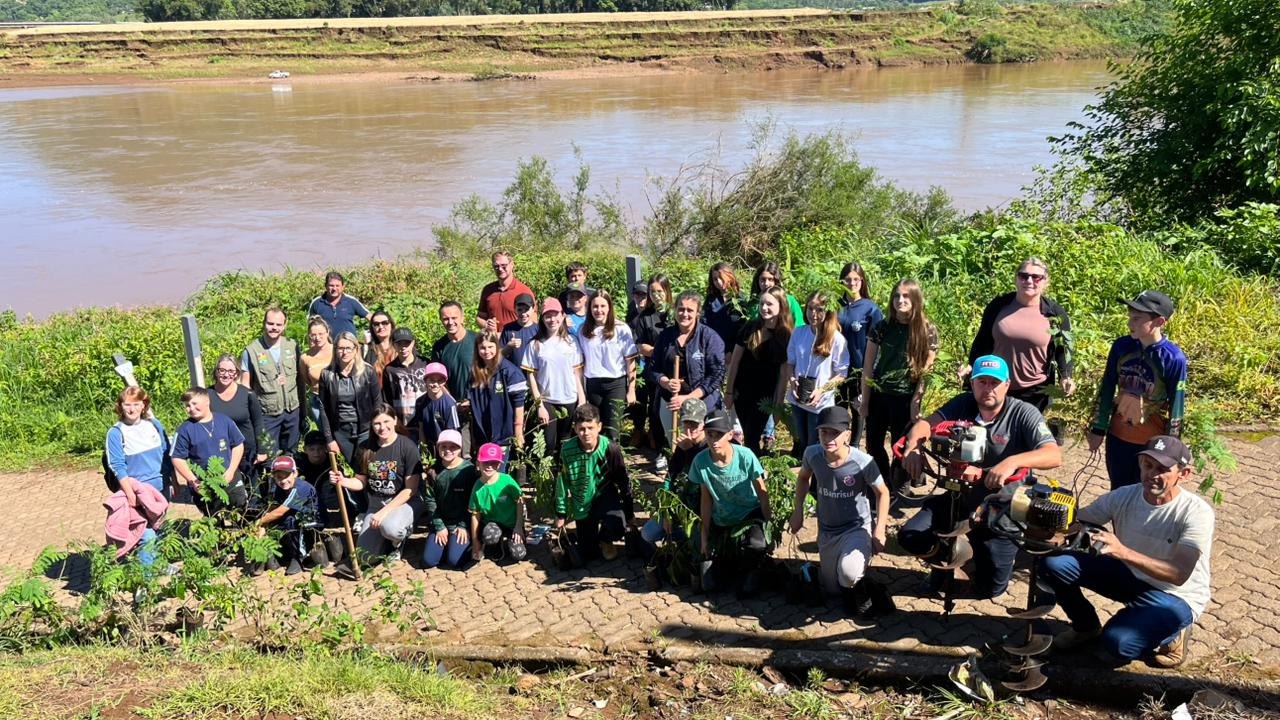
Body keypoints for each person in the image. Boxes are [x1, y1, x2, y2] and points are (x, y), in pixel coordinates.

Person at [898, 355, 1062, 599]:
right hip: (961, 497)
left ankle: (975, 563)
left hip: (1001, 504)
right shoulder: (963, 403)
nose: (988, 389)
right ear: (972, 384)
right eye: (981, 382)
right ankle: (944, 564)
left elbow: (1053, 455)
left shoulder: (1023, 413)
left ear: (1007, 385)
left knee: (991, 588)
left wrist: (1011, 462)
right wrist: (914, 448)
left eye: (994, 383)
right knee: (910, 536)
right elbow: (925, 425)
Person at [1043, 435, 1213, 668]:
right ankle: (1086, 627)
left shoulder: (1196, 513)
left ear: (1183, 474)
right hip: (1130, 575)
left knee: (1118, 643)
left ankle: (1174, 632)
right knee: (1054, 564)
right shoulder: (1124, 496)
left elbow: (1179, 573)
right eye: (1147, 465)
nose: (1152, 474)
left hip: (1175, 595)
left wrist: (1122, 551)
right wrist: (1048, 519)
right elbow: (1077, 520)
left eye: (1163, 469)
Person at [789, 406, 893, 618]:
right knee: (832, 590)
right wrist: (797, 511)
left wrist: (879, 529)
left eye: (835, 433)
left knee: (849, 574)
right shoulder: (812, 454)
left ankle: (862, 586)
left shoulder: (863, 462)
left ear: (847, 435)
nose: (828, 438)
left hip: (856, 528)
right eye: (824, 432)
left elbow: (883, 492)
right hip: (827, 530)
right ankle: (849, 585)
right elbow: (802, 478)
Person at [1088, 290, 1188, 490]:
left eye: (1137, 318)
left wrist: (1171, 447)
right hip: (1118, 437)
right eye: (1129, 317)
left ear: (1159, 322)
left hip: (1150, 444)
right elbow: (1107, 387)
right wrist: (1098, 428)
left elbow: (1177, 406)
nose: (1129, 323)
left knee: (1146, 494)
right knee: (1118, 491)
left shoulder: (1173, 358)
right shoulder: (1121, 347)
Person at [963, 257, 1076, 416]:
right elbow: (982, 341)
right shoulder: (999, 306)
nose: (1029, 281)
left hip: (1036, 391)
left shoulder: (1055, 313)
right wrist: (971, 366)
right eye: (1024, 276)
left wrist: (1067, 376)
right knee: (990, 435)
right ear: (1016, 279)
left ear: (1045, 282)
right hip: (996, 385)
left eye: (1036, 277)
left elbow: (1063, 349)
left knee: (1028, 438)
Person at [860, 279, 938, 487]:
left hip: (906, 396)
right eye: (896, 296)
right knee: (873, 444)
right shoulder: (882, 326)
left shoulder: (926, 330)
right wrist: (865, 401)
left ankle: (901, 486)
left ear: (915, 299)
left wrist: (916, 401)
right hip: (880, 392)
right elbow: (868, 366)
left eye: (905, 296)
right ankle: (882, 483)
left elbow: (926, 371)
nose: (900, 300)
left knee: (901, 444)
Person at [328, 404, 424, 567]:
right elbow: (360, 482)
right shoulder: (365, 448)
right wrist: (342, 481)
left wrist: (383, 513)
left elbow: (410, 490)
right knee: (365, 558)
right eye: (377, 423)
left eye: (386, 421)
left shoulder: (407, 447)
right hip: (376, 505)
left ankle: (397, 542)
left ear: (394, 420)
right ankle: (384, 542)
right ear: (372, 426)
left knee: (391, 528)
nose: (382, 427)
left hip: (404, 503)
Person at [691, 411, 772, 596]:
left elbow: (762, 493)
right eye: (709, 435)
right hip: (722, 518)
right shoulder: (701, 461)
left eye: (719, 435)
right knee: (710, 582)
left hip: (749, 514)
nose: (714, 441)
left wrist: (770, 527)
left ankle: (753, 570)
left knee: (756, 546)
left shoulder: (745, 456)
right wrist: (705, 535)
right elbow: (706, 499)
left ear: (730, 435)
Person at [647, 290, 726, 460]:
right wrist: (665, 382)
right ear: (675, 310)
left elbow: (717, 374)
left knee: (700, 445)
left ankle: (698, 483)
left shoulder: (709, 337)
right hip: (671, 402)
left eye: (690, 310)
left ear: (698, 312)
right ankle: (677, 479)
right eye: (681, 309)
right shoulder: (665, 336)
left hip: (703, 403)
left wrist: (689, 397)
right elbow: (652, 368)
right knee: (676, 444)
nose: (684, 314)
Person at [554, 405, 636, 563]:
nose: (586, 433)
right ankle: (592, 540)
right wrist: (561, 514)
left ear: (599, 426)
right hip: (582, 502)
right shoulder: (566, 450)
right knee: (589, 554)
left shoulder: (610, 449)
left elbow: (623, 481)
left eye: (590, 428)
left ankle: (606, 538)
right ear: (575, 429)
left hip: (605, 494)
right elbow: (562, 483)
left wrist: (629, 512)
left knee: (619, 525)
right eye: (582, 429)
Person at [725, 286, 794, 455]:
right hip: (742, 393)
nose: (764, 308)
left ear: (781, 306)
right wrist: (728, 391)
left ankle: (756, 475)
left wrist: (778, 404)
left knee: (752, 436)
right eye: (762, 304)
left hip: (765, 397)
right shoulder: (749, 328)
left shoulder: (786, 335)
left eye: (769, 304)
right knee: (749, 436)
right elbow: (735, 362)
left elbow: (784, 375)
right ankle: (756, 473)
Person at [783, 291, 850, 456]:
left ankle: (814, 475)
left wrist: (821, 390)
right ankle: (803, 471)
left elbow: (841, 374)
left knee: (815, 444)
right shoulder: (799, 332)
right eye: (810, 308)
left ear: (827, 312)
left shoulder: (836, 339)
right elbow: (789, 363)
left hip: (820, 402)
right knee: (800, 439)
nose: (813, 314)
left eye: (819, 310)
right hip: (798, 397)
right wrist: (792, 382)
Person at [522, 297, 586, 463]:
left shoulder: (572, 342)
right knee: (548, 444)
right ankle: (547, 481)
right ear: (542, 319)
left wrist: (582, 399)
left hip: (569, 398)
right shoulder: (535, 344)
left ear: (563, 315)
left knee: (567, 441)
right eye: (547, 316)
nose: (552, 319)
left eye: (555, 314)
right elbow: (532, 377)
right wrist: (539, 405)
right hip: (548, 400)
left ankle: (564, 479)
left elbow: (577, 373)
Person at [639, 398, 708, 550]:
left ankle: (687, 540)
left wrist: (689, 451)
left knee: (696, 543)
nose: (689, 431)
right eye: (686, 424)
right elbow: (670, 478)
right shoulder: (681, 446)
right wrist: (666, 511)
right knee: (647, 534)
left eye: (694, 425)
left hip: (702, 509)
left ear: (703, 424)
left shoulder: (709, 447)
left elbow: (703, 477)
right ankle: (680, 538)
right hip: (680, 506)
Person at [171, 386, 249, 517]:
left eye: (194, 403)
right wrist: (193, 481)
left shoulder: (224, 420)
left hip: (229, 476)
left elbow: (238, 445)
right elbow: (177, 458)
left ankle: (242, 535)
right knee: (213, 516)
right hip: (204, 482)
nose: (190, 408)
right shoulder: (184, 429)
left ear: (207, 401)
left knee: (240, 509)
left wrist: (231, 470)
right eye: (187, 405)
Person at [240, 307, 306, 458]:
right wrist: (249, 418)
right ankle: (270, 481)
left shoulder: (292, 346)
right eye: (270, 324)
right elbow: (245, 387)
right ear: (264, 324)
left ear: (284, 325)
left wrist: (303, 410)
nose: (274, 328)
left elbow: (300, 380)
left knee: (292, 454)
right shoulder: (251, 351)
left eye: (278, 324)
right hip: (267, 415)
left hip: (292, 411)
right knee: (269, 456)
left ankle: (292, 481)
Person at [578, 289, 639, 442]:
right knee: (595, 430)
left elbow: (630, 361)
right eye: (595, 306)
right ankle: (598, 464)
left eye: (603, 306)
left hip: (615, 384)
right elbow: (579, 363)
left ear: (609, 307)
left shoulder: (621, 329)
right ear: (589, 308)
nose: (599, 310)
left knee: (613, 431)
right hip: (593, 385)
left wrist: (631, 390)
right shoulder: (583, 331)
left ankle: (614, 464)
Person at [835, 262, 884, 446]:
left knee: (857, 407)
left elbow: (878, 343)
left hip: (859, 368)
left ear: (862, 281)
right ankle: (838, 442)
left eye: (856, 279)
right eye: (848, 279)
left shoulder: (871, 309)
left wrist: (871, 370)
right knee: (839, 406)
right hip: (837, 368)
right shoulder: (835, 305)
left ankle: (854, 446)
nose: (852, 283)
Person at [467, 330, 528, 471]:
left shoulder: (509, 371)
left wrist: (518, 431)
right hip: (482, 434)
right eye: (482, 347)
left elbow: (519, 403)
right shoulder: (475, 372)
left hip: (503, 435)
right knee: (484, 475)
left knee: (497, 474)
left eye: (490, 347)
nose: (486, 351)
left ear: (497, 346)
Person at [318, 331, 380, 466]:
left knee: (370, 468)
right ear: (335, 350)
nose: (344, 352)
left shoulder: (367, 372)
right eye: (340, 348)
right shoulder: (327, 375)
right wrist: (329, 439)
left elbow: (377, 403)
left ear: (356, 349)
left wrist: (376, 430)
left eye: (348, 348)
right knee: (347, 471)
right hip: (341, 432)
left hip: (365, 430)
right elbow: (323, 409)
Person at [422, 430, 479, 569]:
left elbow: (473, 502)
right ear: (438, 448)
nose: (448, 450)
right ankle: (445, 543)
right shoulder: (433, 471)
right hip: (441, 520)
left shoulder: (469, 471)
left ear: (460, 448)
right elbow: (430, 501)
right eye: (444, 446)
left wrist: (464, 525)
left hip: (461, 522)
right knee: (429, 561)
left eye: (453, 447)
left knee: (454, 561)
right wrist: (439, 526)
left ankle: (467, 543)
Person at [255, 456, 320, 576]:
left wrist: (259, 522)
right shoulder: (279, 488)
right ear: (273, 477)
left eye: (286, 476)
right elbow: (273, 507)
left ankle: (299, 556)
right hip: (293, 515)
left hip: (313, 521)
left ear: (295, 473)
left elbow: (280, 511)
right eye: (279, 477)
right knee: (274, 521)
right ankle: (277, 553)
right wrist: (263, 524)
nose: (283, 480)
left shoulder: (301, 487)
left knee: (292, 521)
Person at [210, 354, 266, 491]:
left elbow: (258, 423)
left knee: (253, 491)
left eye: (231, 371)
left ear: (236, 373)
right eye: (222, 370)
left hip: (248, 452)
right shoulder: (207, 395)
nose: (226, 375)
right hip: (222, 452)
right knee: (229, 491)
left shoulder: (247, 394)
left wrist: (262, 450)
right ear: (216, 371)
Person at [628, 275, 672, 449]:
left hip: (675, 368)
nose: (656, 295)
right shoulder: (645, 317)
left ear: (667, 291)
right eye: (652, 292)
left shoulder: (675, 312)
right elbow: (640, 345)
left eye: (659, 291)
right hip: (653, 369)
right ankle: (657, 444)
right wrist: (660, 352)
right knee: (655, 407)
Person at [104, 386, 171, 498]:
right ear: (120, 406)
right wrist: (130, 495)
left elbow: (166, 454)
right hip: (138, 490)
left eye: (136, 404)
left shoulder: (154, 424)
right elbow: (117, 466)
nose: (132, 409)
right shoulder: (115, 433)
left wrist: (173, 480)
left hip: (163, 485)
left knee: (163, 515)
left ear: (143, 405)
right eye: (127, 405)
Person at [469, 442, 528, 563]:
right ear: (478, 463)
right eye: (485, 462)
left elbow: (520, 501)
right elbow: (475, 515)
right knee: (489, 536)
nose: (489, 466)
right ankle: (496, 544)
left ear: (499, 464)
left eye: (494, 462)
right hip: (493, 524)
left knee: (519, 554)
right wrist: (475, 542)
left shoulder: (507, 480)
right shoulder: (477, 487)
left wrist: (518, 527)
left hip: (512, 523)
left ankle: (515, 536)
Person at [381, 328, 430, 442]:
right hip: (404, 424)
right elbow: (387, 399)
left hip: (426, 419)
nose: (403, 347)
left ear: (413, 343)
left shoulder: (425, 363)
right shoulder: (390, 370)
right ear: (394, 345)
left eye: (407, 343)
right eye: (399, 344)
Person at [431, 301, 478, 414]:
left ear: (462, 318)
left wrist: (474, 400)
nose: (450, 322)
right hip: (455, 408)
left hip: (480, 404)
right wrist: (454, 404)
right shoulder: (439, 347)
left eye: (454, 318)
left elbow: (490, 372)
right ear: (441, 320)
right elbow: (439, 380)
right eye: (446, 319)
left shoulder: (478, 340)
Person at [478, 251, 535, 333]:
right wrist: (487, 325)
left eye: (503, 266)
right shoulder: (488, 290)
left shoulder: (523, 290)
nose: (500, 269)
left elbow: (533, 320)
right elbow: (480, 317)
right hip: (494, 343)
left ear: (512, 265)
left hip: (516, 342)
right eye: (496, 266)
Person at [416, 362, 462, 455]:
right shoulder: (420, 402)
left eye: (439, 381)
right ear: (425, 380)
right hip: (429, 447)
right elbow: (421, 428)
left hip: (446, 448)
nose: (435, 384)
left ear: (444, 382)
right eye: (431, 380)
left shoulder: (449, 404)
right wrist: (424, 452)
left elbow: (453, 433)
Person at [308, 271, 369, 340]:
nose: (334, 289)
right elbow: (311, 327)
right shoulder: (317, 303)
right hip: (327, 346)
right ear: (325, 286)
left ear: (343, 287)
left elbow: (370, 317)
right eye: (331, 285)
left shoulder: (351, 301)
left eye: (337, 286)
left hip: (348, 346)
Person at [702, 262, 746, 354]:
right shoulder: (711, 299)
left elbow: (742, 328)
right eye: (715, 279)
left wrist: (731, 351)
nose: (718, 282)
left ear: (729, 276)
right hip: (714, 349)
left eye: (721, 278)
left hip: (735, 351)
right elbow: (704, 324)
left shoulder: (741, 299)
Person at [747, 262, 805, 327]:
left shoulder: (789, 301)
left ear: (776, 281)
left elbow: (799, 327)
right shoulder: (753, 303)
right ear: (758, 281)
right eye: (763, 279)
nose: (766, 283)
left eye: (770, 279)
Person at [300, 316, 334, 426]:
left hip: (337, 398)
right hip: (317, 401)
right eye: (313, 335)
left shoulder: (337, 350)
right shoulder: (305, 357)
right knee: (324, 434)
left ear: (327, 332)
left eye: (321, 334)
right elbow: (306, 380)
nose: (317, 338)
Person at [500, 292, 539, 364]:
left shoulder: (538, 330)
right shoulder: (508, 329)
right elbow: (498, 355)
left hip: (533, 373)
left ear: (533, 309)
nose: (523, 314)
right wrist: (509, 346)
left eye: (526, 309)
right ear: (514, 309)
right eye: (520, 310)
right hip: (513, 374)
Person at [364, 310, 397, 392]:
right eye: (376, 324)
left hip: (400, 399)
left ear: (391, 325)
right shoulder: (366, 350)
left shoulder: (401, 347)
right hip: (377, 401)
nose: (381, 327)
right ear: (372, 328)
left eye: (384, 322)